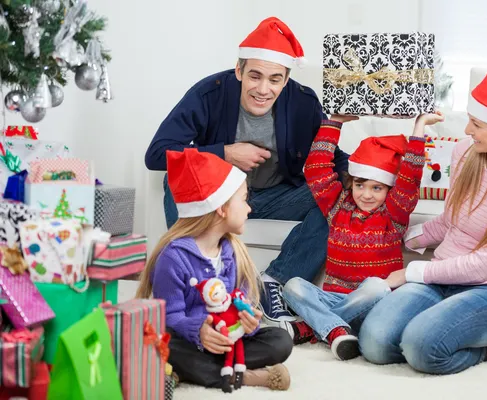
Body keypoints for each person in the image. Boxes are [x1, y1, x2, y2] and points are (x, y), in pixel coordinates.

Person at [145, 17, 348, 326]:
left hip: (279, 195)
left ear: (286, 79)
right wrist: (226, 152)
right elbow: (158, 153)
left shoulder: (303, 102)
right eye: (255, 76)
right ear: (239, 70)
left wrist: (365, 174)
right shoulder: (207, 94)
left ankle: (275, 282)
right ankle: (194, 277)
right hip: (222, 199)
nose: (263, 89)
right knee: (176, 178)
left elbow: (329, 156)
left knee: (336, 194)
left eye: (275, 79)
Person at [358, 63, 487, 374]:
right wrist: (394, 234)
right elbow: (451, 222)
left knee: (421, 347)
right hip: (444, 279)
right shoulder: (465, 152)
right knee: (374, 343)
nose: (466, 131)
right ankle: (445, 331)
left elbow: (485, 264)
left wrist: (411, 272)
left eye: (476, 124)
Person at [281, 112, 444, 360]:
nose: (366, 195)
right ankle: (335, 329)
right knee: (292, 285)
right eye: (360, 185)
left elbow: (410, 175)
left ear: (389, 189)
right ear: (352, 183)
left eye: (376, 188)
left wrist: (419, 126)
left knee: (377, 286)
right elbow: (316, 168)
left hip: (376, 305)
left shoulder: (393, 213)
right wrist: (334, 122)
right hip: (336, 298)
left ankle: (315, 328)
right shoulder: (337, 206)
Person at [136, 148, 293, 391]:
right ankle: (245, 375)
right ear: (221, 208)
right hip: (189, 341)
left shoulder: (234, 252)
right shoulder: (173, 258)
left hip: (227, 340)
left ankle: (201, 371)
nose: (249, 208)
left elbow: (243, 302)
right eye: (243, 200)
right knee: (163, 346)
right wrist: (199, 331)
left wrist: (247, 323)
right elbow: (168, 317)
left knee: (281, 341)